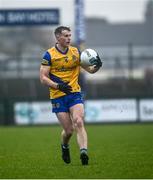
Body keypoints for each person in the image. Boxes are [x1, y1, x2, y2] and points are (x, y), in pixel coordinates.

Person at [40, 26, 102, 165]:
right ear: (58, 38)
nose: (69, 38)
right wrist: (58, 86)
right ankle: (65, 146)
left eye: (69, 35)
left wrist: (97, 66)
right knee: (68, 131)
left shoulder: (75, 52)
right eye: (66, 36)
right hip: (57, 96)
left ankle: (83, 152)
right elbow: (43, 78)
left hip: (74, 93)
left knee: (79, 121)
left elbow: (90, 71)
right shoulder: (49, 55)